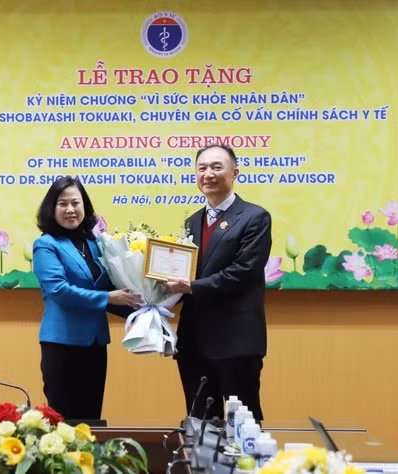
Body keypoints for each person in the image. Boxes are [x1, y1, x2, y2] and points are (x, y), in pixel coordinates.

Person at [164, 144, 272, 422]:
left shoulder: (254, 217)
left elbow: (244, 271)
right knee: (200, 423)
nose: (208, 174)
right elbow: (186, 271)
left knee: (243, 425)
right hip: (194, 342)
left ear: (235, 172)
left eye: (216, 167)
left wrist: (191, 287)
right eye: (202, 168)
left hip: (236, 341)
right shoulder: (192, 222)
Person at [33, 177, 141, 422]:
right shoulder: (46, 245)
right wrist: (109, 297)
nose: (70, 209)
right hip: (62, 344)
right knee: (64, 422)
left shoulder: (94, 244)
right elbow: (59, 291)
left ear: (85, 207)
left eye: (76, 203)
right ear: (52, 208)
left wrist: (143, 308)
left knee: (91, 418)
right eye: (63, 204)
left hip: (95, 344)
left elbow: (109, 290)